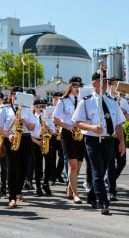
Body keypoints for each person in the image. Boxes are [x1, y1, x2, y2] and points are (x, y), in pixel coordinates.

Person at [72, 69, 126, 215]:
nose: (104, 84)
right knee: (97, 171)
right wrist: (92, 127)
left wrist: (121, 142)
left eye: (106, 82)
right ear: (93, 83)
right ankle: (103, 202)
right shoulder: (86, 101)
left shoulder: (112, 101)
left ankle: (91, 196)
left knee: (101, 172)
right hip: (92, 140)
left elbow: (119, 124)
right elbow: (77, 122)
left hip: (108, 140)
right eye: (101, 81)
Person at [0, 86, 35, 208]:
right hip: (11, 139)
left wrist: (26, 122)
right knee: (12, 168)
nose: (16, 97)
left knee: (23, 168)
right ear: (11, 96)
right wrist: (8, 135)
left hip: (25, 138)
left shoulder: (27, 109)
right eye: (14, 95)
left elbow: (32, 127)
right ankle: (12, 197)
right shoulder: (5, 109)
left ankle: (18, 191)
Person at [53, 76, 86, 204]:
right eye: (75, 85)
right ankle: (76, 194)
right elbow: (55, 119)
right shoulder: (63, 101)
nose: (78, 88)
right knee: (72, 164)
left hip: (81, 133)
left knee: (78, 166)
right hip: (67, 134)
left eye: (79, 85)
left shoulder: (84, 100)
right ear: (70, 86)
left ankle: (69, 187)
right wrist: (67, 126)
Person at [107, 77, 129, 201]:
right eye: (114, 85)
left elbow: (128, 119)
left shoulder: (124, 101)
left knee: (122, 162)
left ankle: (109, 180)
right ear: (109, 86)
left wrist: (123, 111)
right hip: (110, 134)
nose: (116, 87)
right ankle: (112, 190)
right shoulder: (105, 99)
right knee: (110, 164)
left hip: (120, 133)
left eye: (118, 85)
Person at [31, 99, 54, 196]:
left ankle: (46, 183)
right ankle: (38, 187)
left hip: (46, 141)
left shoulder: (47, 117)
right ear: (34, 107)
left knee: (49, 164)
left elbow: (53, 132)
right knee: (38, 165)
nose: (40, 108)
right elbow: (29, 134)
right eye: (38, 106)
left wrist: (48, 128)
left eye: (42, 107)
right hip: (35, 142)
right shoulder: (31, 117)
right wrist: (38, 142)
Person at [50, 92, 65, 184]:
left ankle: (58, 173)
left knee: (62, 157)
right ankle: (53, 176)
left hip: (62, 135)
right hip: (51, 136)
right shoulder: (48, 109)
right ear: (52, 99)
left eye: (58, 98)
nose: (56, 100)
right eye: (55, 98)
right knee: (52, 157)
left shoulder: (63, 109)